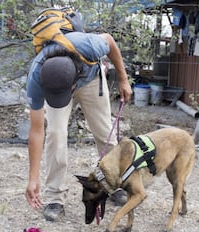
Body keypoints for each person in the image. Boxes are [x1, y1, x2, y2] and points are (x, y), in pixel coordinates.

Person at [24, 30, 132, 221]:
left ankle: (114, 184)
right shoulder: (37, 77)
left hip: (91, 79)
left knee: (104, 132)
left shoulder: (90, 45)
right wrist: (33, 178)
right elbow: (36, 130)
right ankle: (55, 197)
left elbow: (110, 40)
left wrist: (123, 78)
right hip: (59, 81)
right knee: (55, 134)